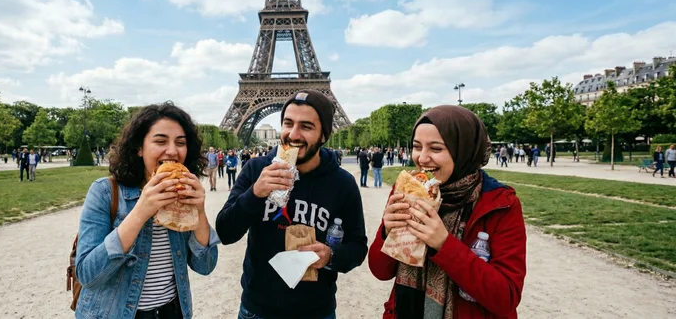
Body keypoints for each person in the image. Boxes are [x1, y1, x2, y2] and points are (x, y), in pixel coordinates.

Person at [216, 90, 368, 319]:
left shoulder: (342, 183)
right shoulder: (256, 169)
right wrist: (255, 193)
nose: (293, 134)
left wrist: (331, 256)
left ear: (324, 135)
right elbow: (225, 232)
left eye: (306, 126)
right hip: (258, 309)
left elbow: (357, 247)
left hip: (316, 311)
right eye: (288, 123)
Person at [368, 105, 526, 319]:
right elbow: (381, 271)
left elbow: (505, 297)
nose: (422, 158)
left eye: (436, 148)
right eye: (416, 146)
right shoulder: (408, 190)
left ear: (464, 150)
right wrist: (387, 233)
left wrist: (444, 244)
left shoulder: (500, 204)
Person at [74, 102, 219, 319]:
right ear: (139, 148)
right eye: (160, 141)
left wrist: (199, 211)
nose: (172, 151)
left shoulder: (184, 194)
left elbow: (205, 266)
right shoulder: (105, 192)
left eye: (180, 142)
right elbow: (88, 275)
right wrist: (141, 212)